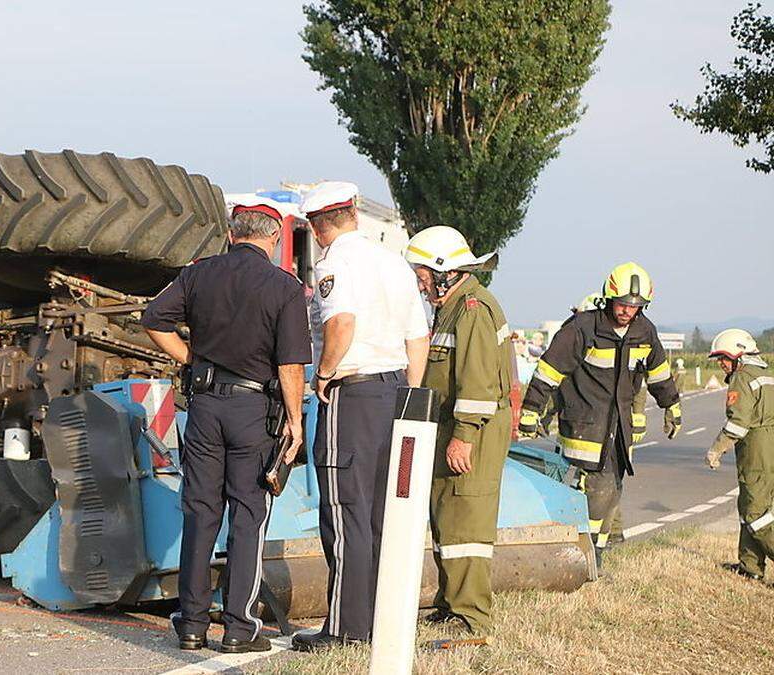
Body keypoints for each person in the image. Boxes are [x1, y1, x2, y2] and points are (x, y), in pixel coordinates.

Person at [141, 194, 312, 654]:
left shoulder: (198, 274)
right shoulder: (284, 287)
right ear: (274, 238)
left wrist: (191, 360)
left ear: (231, 234)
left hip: (204, 409)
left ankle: (192, 625)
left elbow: (153, 318)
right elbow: (292, 363)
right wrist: (294, 421)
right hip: (254, 412)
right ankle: (239, 627)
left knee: (199, 512)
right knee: (248, 516)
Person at [290, 182, 430, 652]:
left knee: (345, 512)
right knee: (380, 513)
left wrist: (324, 374)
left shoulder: (335, 264)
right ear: (352, 212)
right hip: (394, 391)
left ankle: (347, 628)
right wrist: (409, 395)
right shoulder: (394, 263)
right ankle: (379, 618)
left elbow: (341, 324)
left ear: (317, 226)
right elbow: (417, 337)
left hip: (353, 394)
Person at [519, 263, 681, 565]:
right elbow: (550, 372)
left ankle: (597, 552)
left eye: (635, 306)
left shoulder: (645, 332)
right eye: (622, 304)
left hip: (619, 428)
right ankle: (585, 554)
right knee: (598, 488)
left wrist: (671, 405)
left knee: (613, 491)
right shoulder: (583, 328)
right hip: (586, 425)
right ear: (609, 297)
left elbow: (658, 373)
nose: (627, 311)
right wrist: (531, 410)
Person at [403, 225, 513, 638]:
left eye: (423, 274)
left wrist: (464, 435)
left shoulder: (472, 309)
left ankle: (472, 617)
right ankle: (452, 604)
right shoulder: (451, 307)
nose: (420, 282)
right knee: (447, 514)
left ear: (444, 271)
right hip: (452, 426)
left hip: (473, 431)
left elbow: (479, 381)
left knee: (466, 519)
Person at [704, 328, 774, 580]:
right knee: (750, 506)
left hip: (757, 451)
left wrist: (716, 449)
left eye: (724, 358)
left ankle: (752, 565)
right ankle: (750, 567)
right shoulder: (765, 374)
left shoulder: (741, 378)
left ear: (739, 355)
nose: (721, 364)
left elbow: (738, 423)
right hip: (769, 446)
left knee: (755, 514)